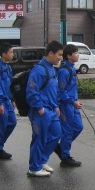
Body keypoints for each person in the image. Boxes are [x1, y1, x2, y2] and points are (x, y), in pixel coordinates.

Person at [26, 40, 63, 177]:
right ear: (50, 53)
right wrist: (40, 108)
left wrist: (56, 105)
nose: (60, 58)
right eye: (59, 55)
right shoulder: (39, 69)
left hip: (52, 110)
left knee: (56, 134)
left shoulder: (52, 69)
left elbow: (54, 90)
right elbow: (31, 91)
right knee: (39, 139)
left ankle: (42, 161)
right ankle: (34, 168)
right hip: (41, 111)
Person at [54, 44, 84, 167]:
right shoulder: (64, 71)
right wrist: (72, 102)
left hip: (73, 105)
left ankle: (61, 148)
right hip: (67, 105)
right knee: (68, 130)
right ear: (68, 56)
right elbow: (61, 91)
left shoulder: (71, 68)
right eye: (75, 53)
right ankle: (65, 157)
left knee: (78, 127)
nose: (78, 55)